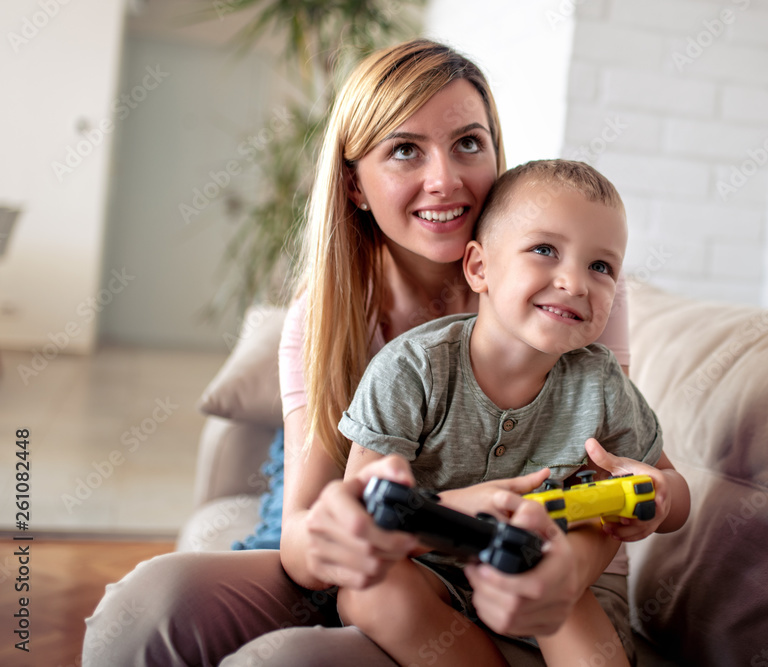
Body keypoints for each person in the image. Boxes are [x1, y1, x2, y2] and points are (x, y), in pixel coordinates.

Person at [83, 39, 684, 666]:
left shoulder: (569, 299)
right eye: (404, 150)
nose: (444, 179)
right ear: (355, 186)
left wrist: (561, 566)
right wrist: (405, 524)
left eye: (468, 143)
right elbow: (304, 544)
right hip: (375, 559)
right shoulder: (334, 318)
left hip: (518, 576)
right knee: (145, 607)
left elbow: (610, 472)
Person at [334, 159, 690, 667]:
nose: (575, 282)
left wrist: (658, 497)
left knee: (559, 591)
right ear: (479, 268)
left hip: (553, 585)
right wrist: (458, 510)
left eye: (601, 267)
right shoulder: (410, 371)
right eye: (545, 250)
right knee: (366, 593)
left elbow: (676, 498)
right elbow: (363, 519)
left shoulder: (601, 382)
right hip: (433, 576)